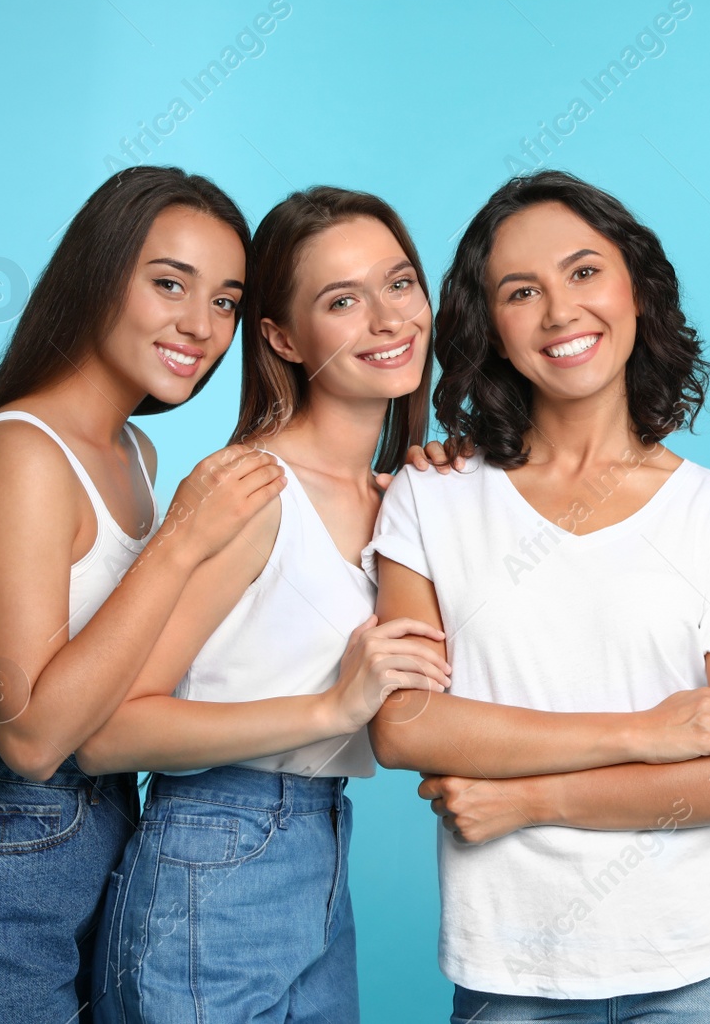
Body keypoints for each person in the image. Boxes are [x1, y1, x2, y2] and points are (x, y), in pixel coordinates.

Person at [0, 166, 283, 1023]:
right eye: (169, 284)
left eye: (226, 301)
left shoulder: (133, 456)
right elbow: (36, 738)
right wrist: (185, 537)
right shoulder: (23, 457)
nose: (201, 326)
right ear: (96, 274)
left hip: (98, 842)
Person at [367, 170, 710, 1023]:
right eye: (522, 291)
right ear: (489, 325)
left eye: (585, 272)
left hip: (708, 965)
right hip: (513, 968)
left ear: (636, 288)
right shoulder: (432, 496)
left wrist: (533, 796)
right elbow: (405, 723)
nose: (561, 310)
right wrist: (650, 732)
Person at [77, 187, 452, 1023]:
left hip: (319, 847)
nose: (389, 320)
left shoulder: (402, 500)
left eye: (399, 284)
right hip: (212, 852)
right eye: (342, 301)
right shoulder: (251, 491)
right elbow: (109, 730)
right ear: (282, 337)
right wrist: (331, 705)